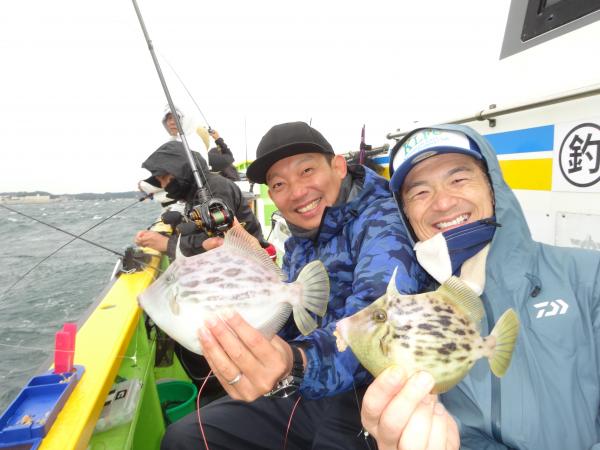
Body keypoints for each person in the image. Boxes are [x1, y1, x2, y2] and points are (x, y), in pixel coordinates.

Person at [161, 121, 431, 450]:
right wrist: (251, 277)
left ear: (338, 167)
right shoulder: (301, 236)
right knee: (184, 438)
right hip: (310, 382)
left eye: (306, 171)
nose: (297, 192)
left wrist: (295, 362)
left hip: (374, 392)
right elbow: (293, 317)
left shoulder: (382, 220)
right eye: (279, 184)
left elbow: (378, 324)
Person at [365, 124, 600, 449]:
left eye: (459, 179)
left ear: (493, 186)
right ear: (406, 215)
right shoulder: (416, 318)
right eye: (420, 192)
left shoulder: (588, 274)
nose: (443, 202)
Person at [134, 140, 265, 260]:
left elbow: (218, 241)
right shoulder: (194, 191)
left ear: (180, 171)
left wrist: (167, 244)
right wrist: (177, 225)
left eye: (163, 178)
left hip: (250, 260)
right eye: (159, 181)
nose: (163, 186)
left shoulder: (215, 189)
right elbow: (203, 228)